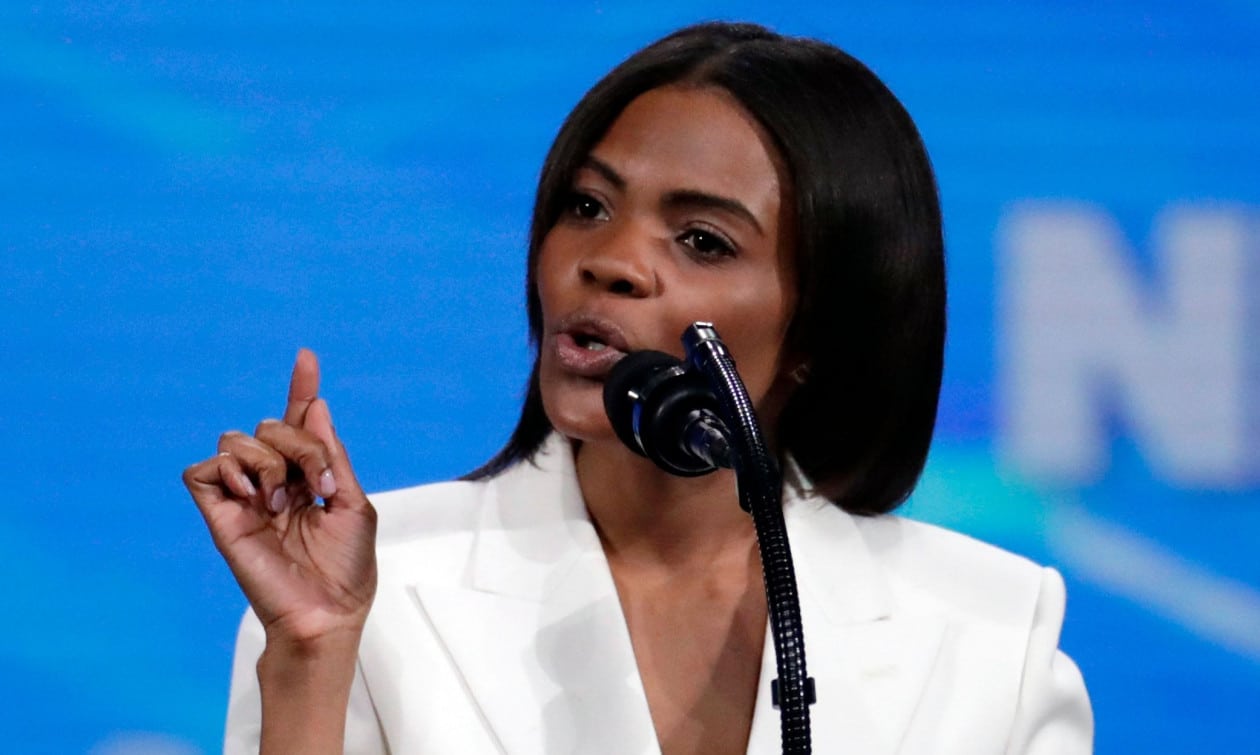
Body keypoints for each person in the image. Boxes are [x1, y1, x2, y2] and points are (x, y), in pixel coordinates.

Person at [184, 21, 1093, 754]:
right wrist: (311, 653)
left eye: (702, 240)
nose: (611, 260)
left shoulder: (989, 631)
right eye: (587, 205)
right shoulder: (363, 590)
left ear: (820, 329)